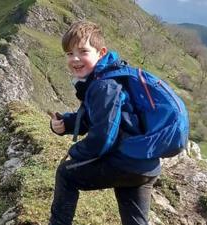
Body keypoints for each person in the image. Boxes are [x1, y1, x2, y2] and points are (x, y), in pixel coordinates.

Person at [48, 20, 161, 225]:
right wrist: (65, 123)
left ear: (101, 53)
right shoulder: (108, 77)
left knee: (66, 175)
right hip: (145, 163)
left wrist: (75, 153)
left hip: (125, 162)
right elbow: (96, 118)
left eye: (83, 51)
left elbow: (103, 137)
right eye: (69, 53)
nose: (75, 59)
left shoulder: (104, 86)